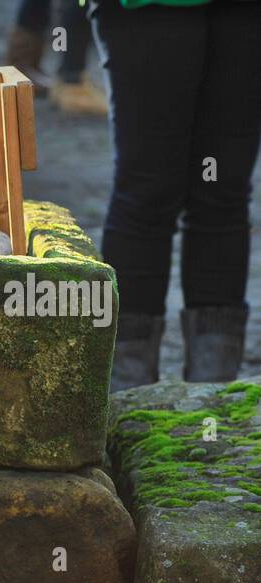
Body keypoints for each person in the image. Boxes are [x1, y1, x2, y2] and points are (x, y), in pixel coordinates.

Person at [88, 0, 261, 390]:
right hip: (142, 7)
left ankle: (213, 391)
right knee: (147, 188)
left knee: (223, 190)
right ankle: (128, 394)